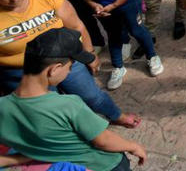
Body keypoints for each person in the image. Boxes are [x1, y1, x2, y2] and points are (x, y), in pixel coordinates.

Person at [0, 28, 147, 170]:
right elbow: (103, 141)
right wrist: (133, 146)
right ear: (55, 69)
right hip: (104, 165)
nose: (70, 71)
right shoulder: (68, 105)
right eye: (70, 66)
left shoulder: (2, 106)